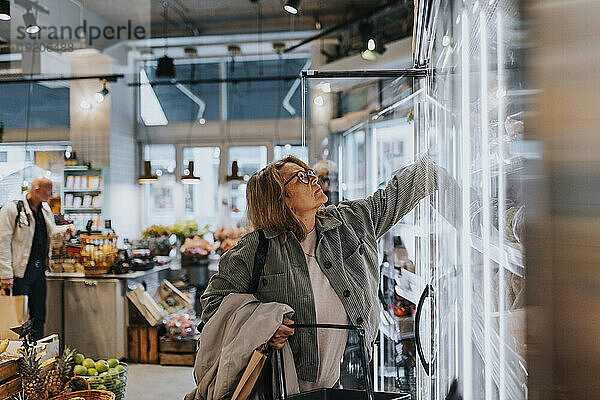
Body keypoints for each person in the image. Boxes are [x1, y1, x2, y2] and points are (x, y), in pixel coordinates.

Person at [200, 155, 438, 391]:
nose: (314, 178)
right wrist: (263, 324)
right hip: (283, 382)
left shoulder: (350, 222)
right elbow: (213, 306)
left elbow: (394, 196)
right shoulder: (256, 249)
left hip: (352, 371)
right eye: (301, 177)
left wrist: (435, 157)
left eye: (310, 172)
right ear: (279, 197)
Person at [0, 176, 73, 340]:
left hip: (39, 271)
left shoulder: (45, 209)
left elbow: (50, 232)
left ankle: (37, 353)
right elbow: (2, 242)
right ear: (36, 189)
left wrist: (66, 230)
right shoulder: (12, 209)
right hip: (20, 273)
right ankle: (19, 356)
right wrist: (5, 273)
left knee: (39, 315)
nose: (51, 193)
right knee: (19, 317)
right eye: (48, 189)